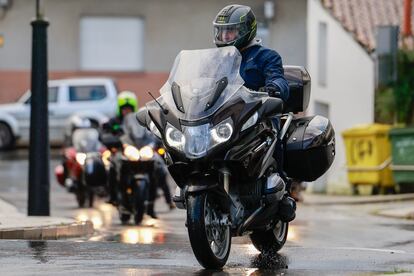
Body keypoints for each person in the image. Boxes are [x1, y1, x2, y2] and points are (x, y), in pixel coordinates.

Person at [213, 4, 295, 222]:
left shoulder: (265, 56)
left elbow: (277, 78)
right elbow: (201, 83)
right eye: (221, 31)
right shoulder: (217, 61)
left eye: (230, 31)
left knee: (272, 136)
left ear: (246, 31)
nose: (224, 36)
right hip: (225, 118)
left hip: (257, 116)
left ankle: (282, 187)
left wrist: (274, 88)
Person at [102, 91, 172, 219]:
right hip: (123, 150)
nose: (126, 111)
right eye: (124, 109)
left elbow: (150, 131)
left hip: (140, 150)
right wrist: (111, 138)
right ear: (119, 109)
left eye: (129, 109)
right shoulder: (115, 121)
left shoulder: (139, 119)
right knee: (112, 165)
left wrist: (158, 138)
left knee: (159, 165)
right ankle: (113, 197)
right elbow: (105, 132)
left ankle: (161, 200)